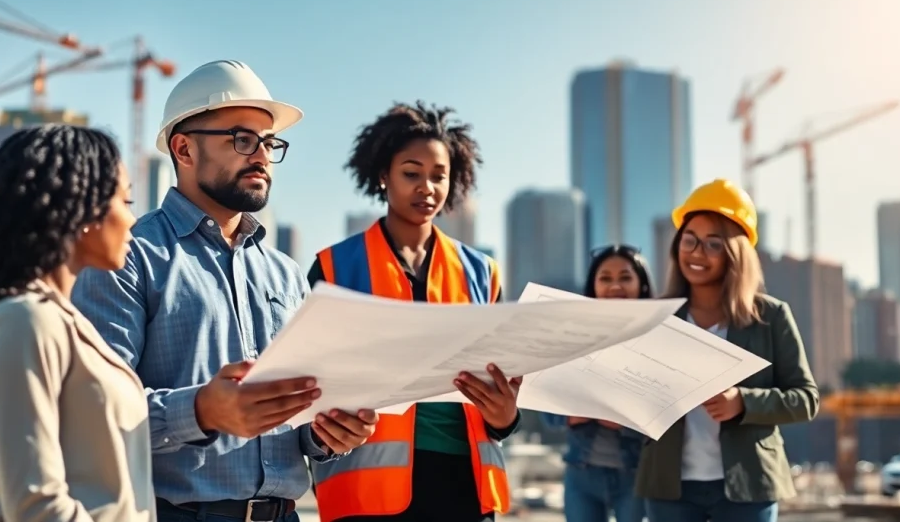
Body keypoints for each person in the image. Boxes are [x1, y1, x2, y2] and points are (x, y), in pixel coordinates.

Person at [71, 60, 378, 522]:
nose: (260, 156)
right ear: (184, 149)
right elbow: (90, 413)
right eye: (242, 139)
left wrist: (326, 433)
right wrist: (200, 411)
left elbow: (297, 424)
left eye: (269, 143)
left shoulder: (286, 275)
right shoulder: (127, 256)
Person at [305, 101, 520, 522]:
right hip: (367, 496)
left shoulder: (483, 273)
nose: (427, 188)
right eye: (411, 173)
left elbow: (505, 382)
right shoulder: (333, 267)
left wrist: (507, 418)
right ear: (383, 176)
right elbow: (310, 383)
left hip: (467, 490)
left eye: (439, 176)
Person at [0, 124, 155, 521]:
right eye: (126, 200)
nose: (133, 220)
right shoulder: (24, 321)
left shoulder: (51, 317)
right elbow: (38, 506)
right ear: (84, 209)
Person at [635, 179, 820, 522]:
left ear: (736, 254)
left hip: (748, 486)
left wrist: (744, 402)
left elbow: (806, 399)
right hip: (670, 488)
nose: (696, 252)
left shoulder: (771, 317)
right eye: (689, 241)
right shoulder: (656, 318)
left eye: (713, 244)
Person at [541, 245, 653, 522]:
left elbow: (669, 415)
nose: (615, 285)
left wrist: (627, 422)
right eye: (605, 278)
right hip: (581, 473)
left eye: (625, 277)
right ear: (593, 286)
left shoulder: (656, 339)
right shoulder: (573, 339)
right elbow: (546, 413)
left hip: (637, 475)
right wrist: (572, 415)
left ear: (642, 284)